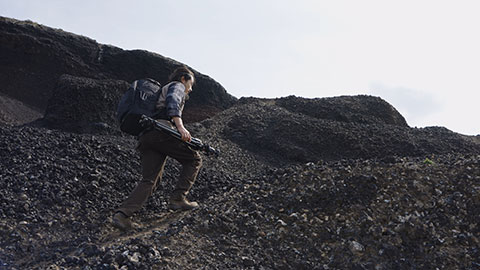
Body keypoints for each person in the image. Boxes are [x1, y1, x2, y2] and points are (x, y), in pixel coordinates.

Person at [113, 66, 202, 230]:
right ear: (184, 79)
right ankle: (178, 198)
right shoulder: (177, 86)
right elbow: (173, 103)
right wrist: (181, 127)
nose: (191, 88)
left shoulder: (160, 92)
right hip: (161, 132)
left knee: (150, 179)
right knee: (194, 159)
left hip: (147, 136)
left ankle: (122, 215)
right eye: (191, 83)